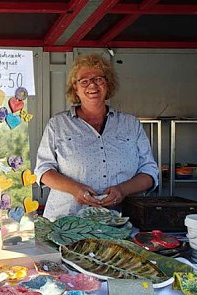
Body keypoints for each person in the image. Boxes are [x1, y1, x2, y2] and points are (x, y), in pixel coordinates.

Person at [34, 54, 159, 220]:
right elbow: (43, 171)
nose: (92, 85)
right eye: (84, 81)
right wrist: (75, 189)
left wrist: (122, 190)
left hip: (120, 221)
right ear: (75, 88)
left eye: (98, 79)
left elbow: (149, 171)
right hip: (67, 221)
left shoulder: (131, 124)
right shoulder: (57, 125)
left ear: (107, 84)